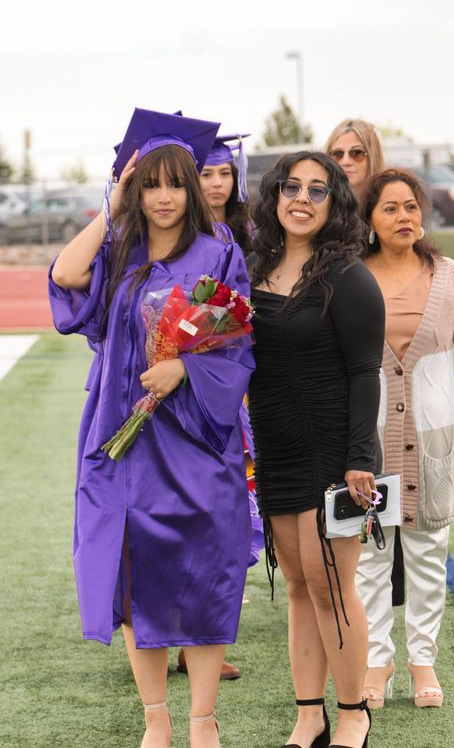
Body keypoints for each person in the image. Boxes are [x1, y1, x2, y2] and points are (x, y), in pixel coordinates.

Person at [48, 108, 255, 748]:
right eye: (149, 184)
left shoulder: (219, 252)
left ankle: (202, 722)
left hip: (196, 436)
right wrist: (110, 206)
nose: (163, 197)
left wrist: (183, 375)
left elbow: (239, 347)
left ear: (193, 189)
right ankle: (156, 721)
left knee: (209, 569)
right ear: (134, 190)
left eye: (175, 183)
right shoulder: (117, 251)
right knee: (132, 575)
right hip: (122, 435)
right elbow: (63, 277)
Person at [248, 151, 385, 748]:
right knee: (300, 586)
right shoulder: (253, 267)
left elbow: (365, 371)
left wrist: (361, 459)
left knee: (333, 583)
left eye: (317, 190)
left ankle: (354, 711)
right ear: (274, 195)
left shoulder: (347, 275)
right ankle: (310, 714)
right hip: (275, 449)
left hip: (334, 452)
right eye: (290, 186)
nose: (300, 198)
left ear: (336, 204)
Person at [357, 168, 454, 710]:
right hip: (364, 443)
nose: (404, 217)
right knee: (370, 557)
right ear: (369, 220)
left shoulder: (450, 276)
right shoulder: (350, 274)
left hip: (433, 441)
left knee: (426, 552)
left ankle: (422, 661)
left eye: (412, 206)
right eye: (390, 208)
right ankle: (379, 661)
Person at [176, 133, 262, 682]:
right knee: (174, 519)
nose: (215, 183)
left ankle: (196, 642)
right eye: (205, 173)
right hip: (172, 393)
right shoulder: (170, 237)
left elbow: (239, 316)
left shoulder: (237, 236)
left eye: (223, 174)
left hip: (224, 389)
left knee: (215, 519)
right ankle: (166, 641)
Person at [325, 120, 406, 608]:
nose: (347, 162)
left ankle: (387, 586)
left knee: (384, 470)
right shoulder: (317, 212)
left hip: (385, 366)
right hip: (327, 365)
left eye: (357, 153)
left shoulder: (388, 213)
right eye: (338, 153)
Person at [324, 119, 384, 198]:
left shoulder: (390, 202)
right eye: (338, 154)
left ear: (373, 157)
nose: (345, 162)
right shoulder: (317, 205)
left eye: (357, 153)